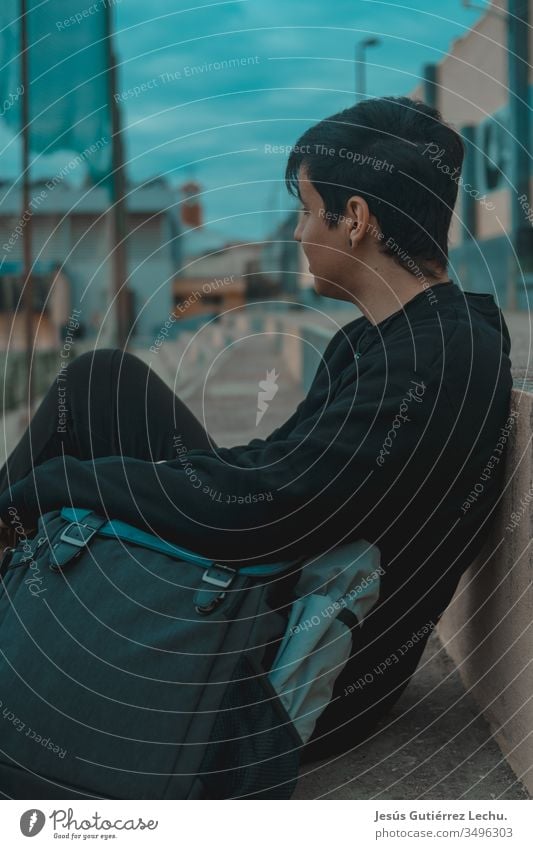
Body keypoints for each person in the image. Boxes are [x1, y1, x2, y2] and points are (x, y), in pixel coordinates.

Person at [0, 96, 513, 762]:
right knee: (102, 386)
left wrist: (60, 484)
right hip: (278, 582)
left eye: (306, 210)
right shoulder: (378, 339)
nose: (299, 233)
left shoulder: (436, 361)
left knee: (68, 468)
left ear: (354, 219)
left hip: (291, 678)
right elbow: (277, 470)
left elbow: (261, 516)